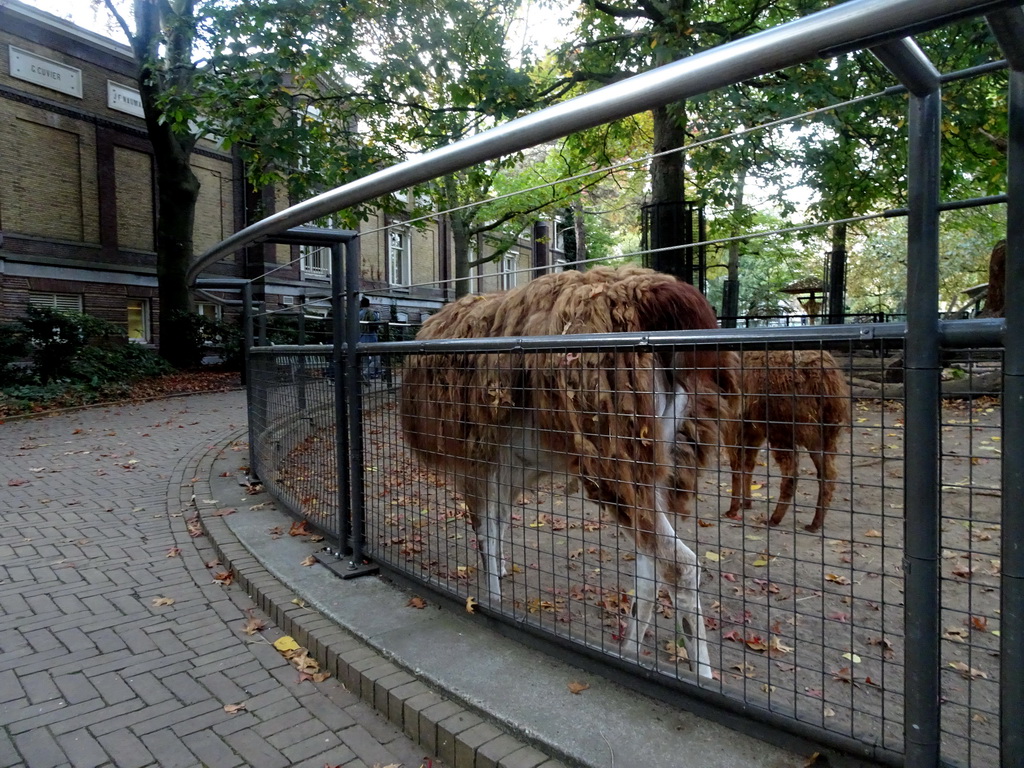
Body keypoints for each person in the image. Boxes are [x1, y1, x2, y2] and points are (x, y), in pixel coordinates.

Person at [358, 297, 382, 380]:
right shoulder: (372, 313)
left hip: (360, 338)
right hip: (371, 338)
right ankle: (365, 373)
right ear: (369, 304)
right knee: (376, 360)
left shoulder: (357, 314)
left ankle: (364, 377)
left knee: (365, 360)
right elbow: (376, 325)